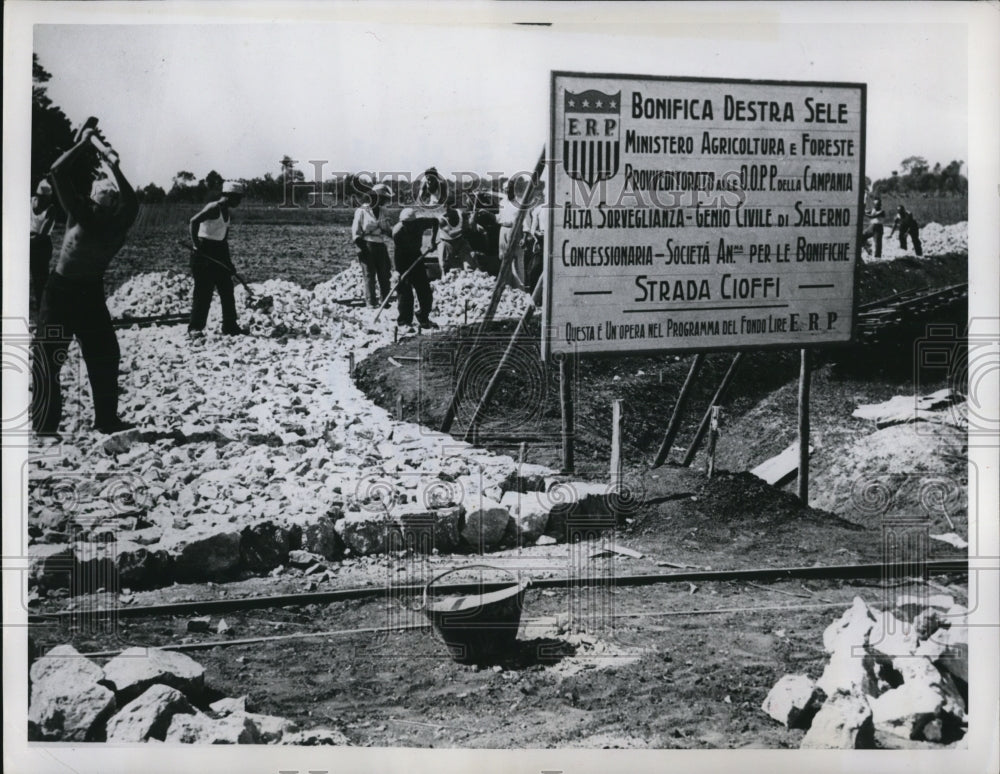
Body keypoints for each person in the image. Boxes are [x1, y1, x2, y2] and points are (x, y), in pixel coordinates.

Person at [32, 124, 138, 436]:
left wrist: (101, 157)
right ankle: (46, 426)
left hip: (85, 292)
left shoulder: (103, 216)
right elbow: (56, 171)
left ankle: (105, 420)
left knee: (103, 355)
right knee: (48, 359)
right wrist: (93, 151)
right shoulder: (99, 216)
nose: (103, 210)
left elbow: (58, 171)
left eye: (107, 206)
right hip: (65, 292)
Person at [188, 180, 247, 337]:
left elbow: (223, 241)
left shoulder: (226, 213)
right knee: (203, 293)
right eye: (238, 198)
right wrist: (196, 245)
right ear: (229, 196)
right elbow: (193, 221)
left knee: (227, 290)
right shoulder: (214, 208)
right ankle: (195, 328)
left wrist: (229, 263)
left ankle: (230, 325)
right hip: (204, 253)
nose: (239, 202)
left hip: (218, 253)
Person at [391, 208, 439, 330]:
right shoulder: (398, 232)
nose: (406, 226)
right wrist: (397, 271)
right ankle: (404, 321)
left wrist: (432, 242)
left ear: (413, 222)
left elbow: (435, 221)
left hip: (417, 257)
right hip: (403, 260)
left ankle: (423, 316)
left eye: (409, 224)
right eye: (404, 224)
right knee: (405, 292)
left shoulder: (420, 223)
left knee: (424, 290)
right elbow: (397, 253)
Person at [351, 182, 394, 307]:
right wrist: (361, 249)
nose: (382, 201)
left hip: (380, 244)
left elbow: (387, 230)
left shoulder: (383, 211)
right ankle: (370, 302)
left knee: (384, 274)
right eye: (381, 198)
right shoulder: (362, 211)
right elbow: (356, 232)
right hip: (367, 244)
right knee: (369, 275)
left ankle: (384, 301)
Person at [30, 179, 57, 307]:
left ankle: (43, 309)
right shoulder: (29, 202)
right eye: (43, 198)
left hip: (41, 246)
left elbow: (42, 234)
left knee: (40, 280)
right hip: (30, 242)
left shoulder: (51, 210)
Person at [497, 178, 526, 288]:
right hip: (503, 230)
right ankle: (506, 286)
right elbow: (500, 218)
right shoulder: (502, 203)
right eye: (504, 189)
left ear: (513, 190)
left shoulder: (520, 202)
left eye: (508, 189)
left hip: (515, 231)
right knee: (504, 258)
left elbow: (525, 221)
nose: (506, 191)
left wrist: (524, 236)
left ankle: (520, 287)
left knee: (517, 259)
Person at [437, 205, 476, 275]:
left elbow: (468, 227)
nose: (447, 210)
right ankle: (444, 275)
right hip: (447, 242)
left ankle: (470, 272)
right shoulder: (441, 219)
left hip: (460, 240)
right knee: (443, 259)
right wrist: (465, 228)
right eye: (446, 207)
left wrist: (471, 221)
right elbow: (451, 234)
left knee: (469, 256)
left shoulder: (461, 214)